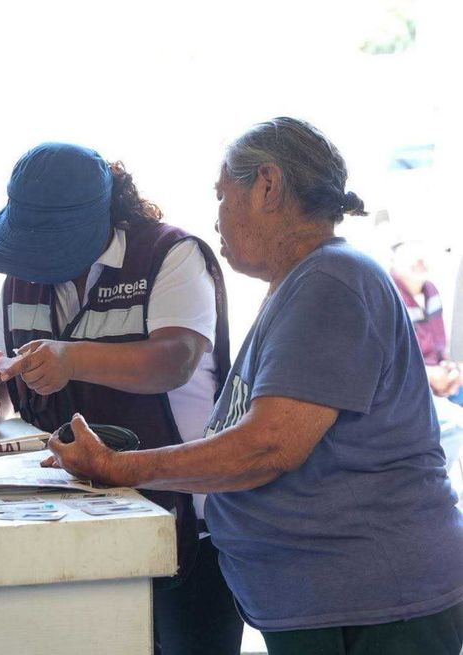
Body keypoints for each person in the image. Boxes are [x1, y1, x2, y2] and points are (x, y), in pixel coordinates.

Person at [41, 118, 463, 655]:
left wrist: (119, 467)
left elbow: (268, 446)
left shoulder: (330, 281)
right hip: (334, 604)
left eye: (222, 195)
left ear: (267, 186)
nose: (216, 215)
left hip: (371, 607)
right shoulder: (306, 282)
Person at [0, 142, 242, 655]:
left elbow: (176, 360)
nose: (38, 260)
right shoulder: (21, 273)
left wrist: (72, 359)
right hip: (68, 526)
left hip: (183, 522)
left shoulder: (171, 255)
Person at [389, 238, 463, 472]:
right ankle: (436, 481)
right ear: (394, 260)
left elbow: (440, 344)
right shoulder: (389, 296)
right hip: (410, 387)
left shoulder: (430, 291)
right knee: (454, 425)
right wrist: (430, 376)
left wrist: (452, 369)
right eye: (411, 255)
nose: (420, 261)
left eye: (423, 254)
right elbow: (392, 362)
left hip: (439, 377)